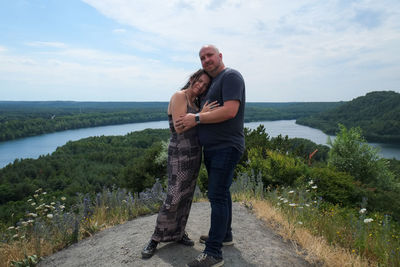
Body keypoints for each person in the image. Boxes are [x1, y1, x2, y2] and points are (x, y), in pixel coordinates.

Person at [177, 45, 245, 267]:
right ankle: (224, 236)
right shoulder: (214, 82)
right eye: (202, 57)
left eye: (210, 56)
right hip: (215, 148)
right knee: (222, 194)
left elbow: (230, 111)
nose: (206, 60)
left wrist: (196, 118)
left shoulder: (231, 76)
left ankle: (214, 253)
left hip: (226, 146)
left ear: (220, 56)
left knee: (216, 195)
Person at [141, 69, 218, 259]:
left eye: (205, 85)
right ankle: (155, 238)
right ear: (192, 79)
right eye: (199, 81)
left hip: (194, 154)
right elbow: (179, 126)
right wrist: (201, 115)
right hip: (179, 154)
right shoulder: (179, 96)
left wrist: (198, 116)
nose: (200, 86)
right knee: (174, 196)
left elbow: (193, 122)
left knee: (186, 196)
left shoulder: (196, 102)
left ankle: (178, 232)